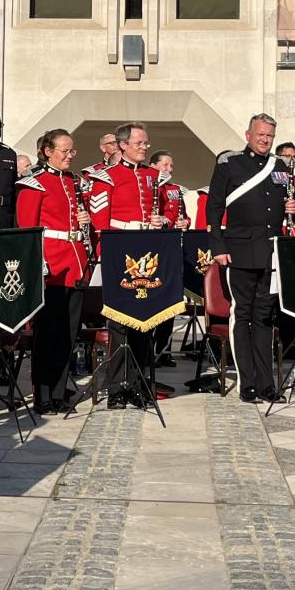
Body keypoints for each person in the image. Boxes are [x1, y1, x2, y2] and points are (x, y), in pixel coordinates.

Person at [205, 115, 295, 403]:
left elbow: (290, 206)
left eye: (269, 135)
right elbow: (214, 207)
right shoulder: (229, 163)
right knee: (242, 314)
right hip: (240, 250)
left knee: (264, 318)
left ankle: (266, 384)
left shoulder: (280, 166)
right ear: (248, 135)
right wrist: (217, 246)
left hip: (270, 253)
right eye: (260, 134)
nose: (265, 140)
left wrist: (294, 208)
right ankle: (247, 383)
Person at [87, 122, 165, 406]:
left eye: (146, 143)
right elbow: (100, 222)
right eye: (139, 143)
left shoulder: (153, 176)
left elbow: (165, 212)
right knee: (120, 323)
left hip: (148, 255)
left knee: (145, 321)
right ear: (122, 145)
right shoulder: (106, 177)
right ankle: (117, 387)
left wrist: (161, 220)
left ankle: (138, 384)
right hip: (120, 254)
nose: (144, 147)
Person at [16, 129, 90, 413]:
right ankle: (43, 394)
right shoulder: (34, 183)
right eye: (65, 150)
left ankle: (59, 393)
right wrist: (36, 265)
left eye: (72, 150)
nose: (70, 156)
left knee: (68, 334)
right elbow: (27, 230)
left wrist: (85, 219)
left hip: (74, 264)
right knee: (47, 334)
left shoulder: (73, 181)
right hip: (51, 266)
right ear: (48, 152)